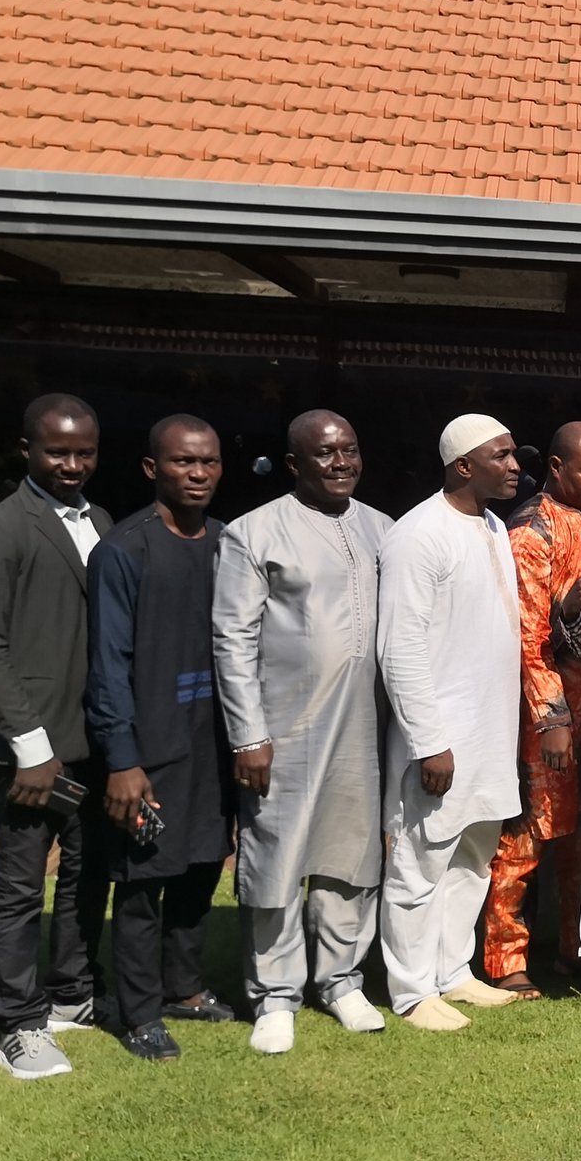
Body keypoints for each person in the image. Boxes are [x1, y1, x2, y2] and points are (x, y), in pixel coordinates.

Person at [212, 410, 393, 1055]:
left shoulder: (382, 529)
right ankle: (275, 995)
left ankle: (341, 981)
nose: (342, 463)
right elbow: (232, 639)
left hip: (363, 726)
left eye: (350, 450)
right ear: (294, 464)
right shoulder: (252, 532)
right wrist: (247, 735)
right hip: (284, 728)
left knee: (352, 856)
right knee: (276, 859)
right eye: (325, 453)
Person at [0, 394, 114, 1079]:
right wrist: (30, 743)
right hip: (33, 750)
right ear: (26, 450)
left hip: (94, 739)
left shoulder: (100, 521)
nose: (72, 464)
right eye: (57, 451)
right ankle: (17, 1024)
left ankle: (71, 995)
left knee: (87, 874)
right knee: (19, 886)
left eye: (85, 452)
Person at [86, 414, 236, 1061]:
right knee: (144, 882)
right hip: (150, 749)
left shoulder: (229, 543)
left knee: (201, 867)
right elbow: (107, 665)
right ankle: (140, 1011)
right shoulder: (123, 551)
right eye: (182, 462)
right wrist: (122, 760)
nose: (197, 473)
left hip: (214, 745)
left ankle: (185, 988)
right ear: (153, 468)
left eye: (208, 461)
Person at [377, 414, 527, 1031]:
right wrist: (428, 741)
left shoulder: (493, 526)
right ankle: (412, 990)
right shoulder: (418, 533)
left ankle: (452, 971)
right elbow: (400, 647)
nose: (515, 466)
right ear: (463, 466)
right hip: (442, 738)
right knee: (419, 863)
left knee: (471, 858)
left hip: (491, 731)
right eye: (502, 455)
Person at [481, 422, 581, 1001]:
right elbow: (528, 635)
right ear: (557, 468)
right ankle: (505, 958)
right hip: (543, 713)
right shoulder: (531, 530)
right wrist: (552, 719)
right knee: (529, 834)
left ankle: (574, 948)